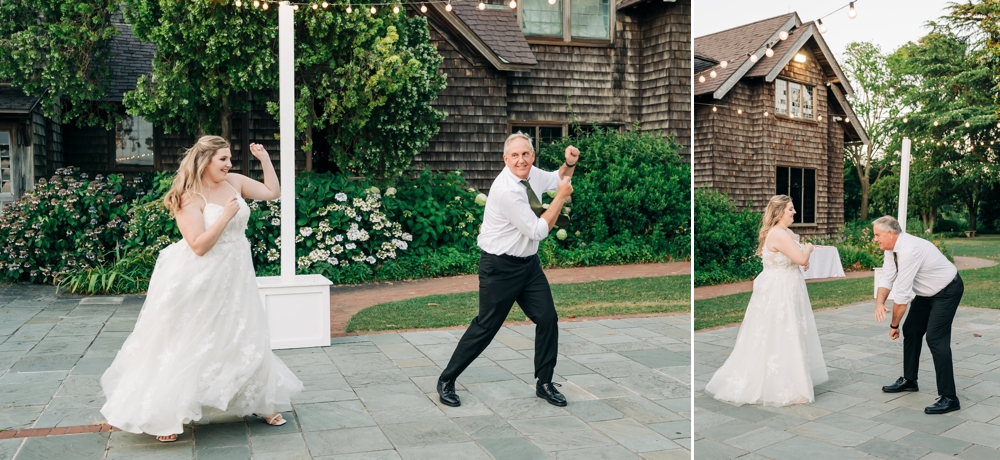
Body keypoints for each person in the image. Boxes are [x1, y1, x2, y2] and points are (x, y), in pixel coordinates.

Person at [100, 136, 303, 442]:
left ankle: (260, 401)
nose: (229, 164)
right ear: (205, 160)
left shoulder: (234, 182)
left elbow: (273, 192)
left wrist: (264, 159)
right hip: (201, 278)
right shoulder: (188, 196)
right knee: (190, 341)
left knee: (244, 334)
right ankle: (165, 415)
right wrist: (224, 217)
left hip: (236, 275)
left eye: (230, 158)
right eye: (223, 159)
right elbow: (198, 246)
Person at [436, 132, 577, 407]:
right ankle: (446, 379)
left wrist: (569, 164)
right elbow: (538, 230)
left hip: (528, 267)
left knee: (548, 318)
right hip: (499, 268)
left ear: (532, 155)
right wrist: (560, 198)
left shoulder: (530, 173)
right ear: (505, 159)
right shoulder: (507, 190)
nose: (520, 160)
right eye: (514, 155)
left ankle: (544, 382)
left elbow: (557, 177)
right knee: (486, 327)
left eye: (525, 154)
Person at [705, 195, 828, 406]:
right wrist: (807, 250)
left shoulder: (787, 233)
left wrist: (801, 259)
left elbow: (794, 259)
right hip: (779, 290)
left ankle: (790, 380)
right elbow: (800, 257)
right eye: (791, 209)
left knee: (789, 332)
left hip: (788, 286)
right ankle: (778, 385)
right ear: (779, 212)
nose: (794, 212)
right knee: (779, 331)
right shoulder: (778, 234)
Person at [872, 216, 963, 414]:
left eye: (877, 235)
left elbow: (902, 296)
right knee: (912, 329)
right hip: (926, 293)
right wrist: (879, 303)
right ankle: (909, 380)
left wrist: (893, 326)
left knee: (935, 338)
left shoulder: (909, 250)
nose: (875, 239)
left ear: (890, 233)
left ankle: (950, 397)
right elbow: (888, 277)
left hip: (947, 290)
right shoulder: (891, 248)